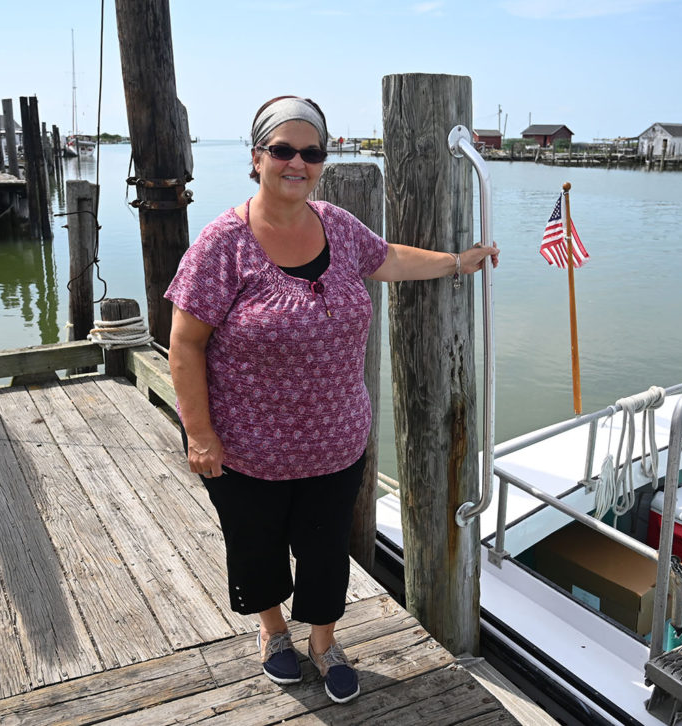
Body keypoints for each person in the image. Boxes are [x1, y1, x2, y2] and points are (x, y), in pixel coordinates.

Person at [165, 95, 498, 705]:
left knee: (325, 552)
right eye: (283, 150)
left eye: (311, 152)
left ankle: (323, 642)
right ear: (257, 156)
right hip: (246, 449)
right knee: (255, 545)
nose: (298, 162)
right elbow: (184, 345)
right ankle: (273, 635)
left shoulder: (339, 226)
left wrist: (457, 262)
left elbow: (388, 257)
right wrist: (200, 433)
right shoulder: (222, 244)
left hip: (335, 441)